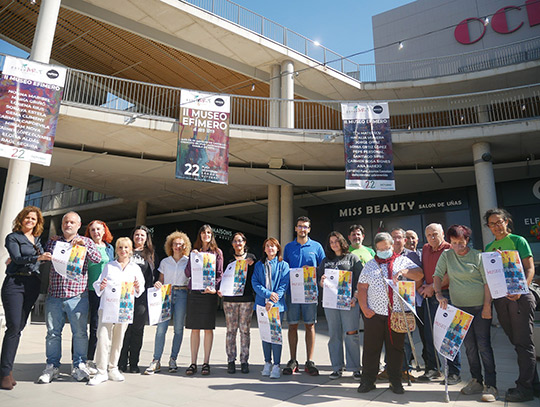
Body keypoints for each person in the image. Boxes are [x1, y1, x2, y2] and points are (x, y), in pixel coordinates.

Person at [434, 224, 498, 403]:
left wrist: (487, 306)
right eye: (454, 243)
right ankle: (477, 380)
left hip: (480, 308)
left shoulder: (477, 256)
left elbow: (487, 282)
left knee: (483, 345)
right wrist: (438, 293)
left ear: (467, 240)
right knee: (469, 347)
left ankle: (491, 385)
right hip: (460, 310)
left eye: (461, 243)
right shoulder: (446, 255)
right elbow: (437, 275)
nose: (458, 247)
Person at [38, 211, 101, 384]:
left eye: (72, 222)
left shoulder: (86, 241)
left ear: (79, 225)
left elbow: (97, 259)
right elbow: (44, 259)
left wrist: (84, 246)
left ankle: (79, 366)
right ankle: (52, 366)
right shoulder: (53, 242)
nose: (69, 225)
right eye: (66, 222)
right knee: (52, 333)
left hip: (77, 296)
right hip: (55, 295)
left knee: (80, 333)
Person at [357, 232, 423, 395]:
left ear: (392, 246)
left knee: (396, 349)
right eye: (380, 249)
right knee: (371, 348)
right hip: (374, 315)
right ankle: (368, 380)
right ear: (376, 249)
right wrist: (365, 309)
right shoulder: (370, 265)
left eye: (386, 248)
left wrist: (405, 272)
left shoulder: (402, 261)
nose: (383, 251)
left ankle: (395, 381)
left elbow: (419, 274)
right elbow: (362, 288)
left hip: (397, 314)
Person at [484, 208, 540, 402]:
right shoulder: (489, 247)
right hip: (501, 300)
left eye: (500, 222)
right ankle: (534, 385)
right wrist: (488, 304)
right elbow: (489, 278)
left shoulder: (518, 240)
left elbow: (530, 268)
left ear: (507, 221)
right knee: (518, 343)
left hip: (520, 297)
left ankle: (524, 389)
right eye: (492, 223)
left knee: (524, 343)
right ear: (489, 227)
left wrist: (521, 289)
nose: (497, 226)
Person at [1, 206, 52, 390]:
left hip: (32, 285)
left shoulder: (37, 240)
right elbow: (16, 257)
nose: (30, 221)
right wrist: (37, 258)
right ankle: (5, 373)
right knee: (13, 326)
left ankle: (7, 370)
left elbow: (42, 257)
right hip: (15, 283)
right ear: (21, 219)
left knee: (18, 328)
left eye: (34, 219)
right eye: (27, 218)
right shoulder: (13, 237)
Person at [88, 237, 145, 385]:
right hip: (107, 307)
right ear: (116, 250)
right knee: (103, 337)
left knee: (119, 339)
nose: (123, 250)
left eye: (126, 247)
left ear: (130, 250)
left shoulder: (135, 268)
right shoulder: (109, 266)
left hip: (124, 308)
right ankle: (101, 371)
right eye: (120, 247)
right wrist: (102, 285)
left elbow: (140, 289)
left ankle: (113, 368)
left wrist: (138, 286)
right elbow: (98, 284)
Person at [417, 223, 461, 384]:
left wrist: (432, 287)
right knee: (430, 335)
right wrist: (424, 285)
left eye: (435, 234)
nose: (432, 237)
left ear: (443, 233)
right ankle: (433, 369)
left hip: (447, 294)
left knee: (449, 335)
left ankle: (454, 372)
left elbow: (451, 274)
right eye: (429, 235)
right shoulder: (426, 249)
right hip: (429, 296)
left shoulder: (450, 248)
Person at [317, 231, 363, 380]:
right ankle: (337, 367)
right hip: (331, 303)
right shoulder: (325, 260)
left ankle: (355, 367)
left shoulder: (352, 258)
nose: (334, 244)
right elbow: (320, 280)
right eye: (331, 242)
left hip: (349, 302)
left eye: (336, 241)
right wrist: (322, 282)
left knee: (351, 334)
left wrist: (355, 297)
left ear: (342, 241)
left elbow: (360, 280)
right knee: (334, 335)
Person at [144, 231, 191, 375]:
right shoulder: (165, 262)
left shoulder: (188, 261)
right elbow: (161, 279)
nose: (177, 246)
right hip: (166, 294)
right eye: (175, 244)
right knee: (161, 329)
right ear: (170, 245)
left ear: (184, 246)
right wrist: (158, 283)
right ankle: (156, 360)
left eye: (180, 244)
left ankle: (173, 359)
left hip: (182, 294)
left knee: (178, 329)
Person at [283, 216, 325, 376]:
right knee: (292, 325)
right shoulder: (288, 247)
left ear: (309, 229)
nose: (302, 229)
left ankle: (310, 361)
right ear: (295, 228)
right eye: (300, 226)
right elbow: (284, 269)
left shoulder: (316, 246)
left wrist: (313, 272)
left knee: (310, 325)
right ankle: (293, 360)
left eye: (305, 227)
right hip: (293, 292)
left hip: (310, 292)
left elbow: (323, 267)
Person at [184, 225, 224, 376]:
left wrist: (214, 288)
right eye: (203, 232)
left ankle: (206, 362)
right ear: (199, 235)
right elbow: (187, 273)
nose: (206, 235)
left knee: (208, 329)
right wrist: (191, 258)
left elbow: (219, 274)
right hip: (195, 293)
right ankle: (193, 362)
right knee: (195, 329)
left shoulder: (217, 253)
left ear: (211, 235)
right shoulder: (195, 252)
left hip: (209, 295)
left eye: (208, 233)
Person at [119, 225, 156, 373]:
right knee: (124, 330)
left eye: (142, 235)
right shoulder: (126, 251)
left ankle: (134, 363)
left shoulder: (150, 254)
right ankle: (121, 362)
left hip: (142, 298)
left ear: (146, 238)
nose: (139, 238)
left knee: (137, 330)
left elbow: (154, 275)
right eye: (137, 235)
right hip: (125, 297)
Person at [252, 237, 290, 379]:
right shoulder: (259, 265)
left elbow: (283, 285)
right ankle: (267, 362)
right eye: (267, 246)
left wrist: (273, 300)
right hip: (261, 305)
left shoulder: (283, 265)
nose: (270, 249)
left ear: (278, 248)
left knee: (275, 336)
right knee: (265, 336)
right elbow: (255, 282)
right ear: (264, 249)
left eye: (273, 246)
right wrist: (268, 295)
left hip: (277, 307)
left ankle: (277, 365)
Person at [219, 232, 257, 374]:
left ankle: (244, 360)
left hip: (246, 300)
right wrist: (220, 289)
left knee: (245, 331)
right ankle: (230, 360)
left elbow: (256, 274)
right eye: (235, 241)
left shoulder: (251, 259)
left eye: (240, 241)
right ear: (232, 244)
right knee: (231, 331)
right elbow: (221, 276)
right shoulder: (228, 260)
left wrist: (252, 260)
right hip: (229, 300)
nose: (238, 243)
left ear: (244, 242)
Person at [84, 220, 114, 371]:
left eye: (98, 229)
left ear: (104, 231)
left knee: (106, 325)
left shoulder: (109, 248)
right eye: (93, 230)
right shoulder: (85, 246)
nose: (96, 232)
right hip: (90, 290)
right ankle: (88, 359)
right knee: (92, 325)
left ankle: (102, 358)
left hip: (107, 292)